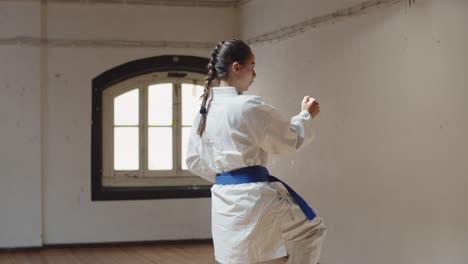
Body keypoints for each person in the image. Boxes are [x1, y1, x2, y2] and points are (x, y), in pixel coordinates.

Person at [185, 39, 326, 264]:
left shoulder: (203, 112)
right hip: (254, 199)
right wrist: (305, 115)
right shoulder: (248, 106)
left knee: (243, 260)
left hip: (223, 199)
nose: (254, 74)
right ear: (236, 67)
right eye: (252, 66)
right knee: (311, 230)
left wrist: (228, 178)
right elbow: (289, 140)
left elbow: (193, 161)